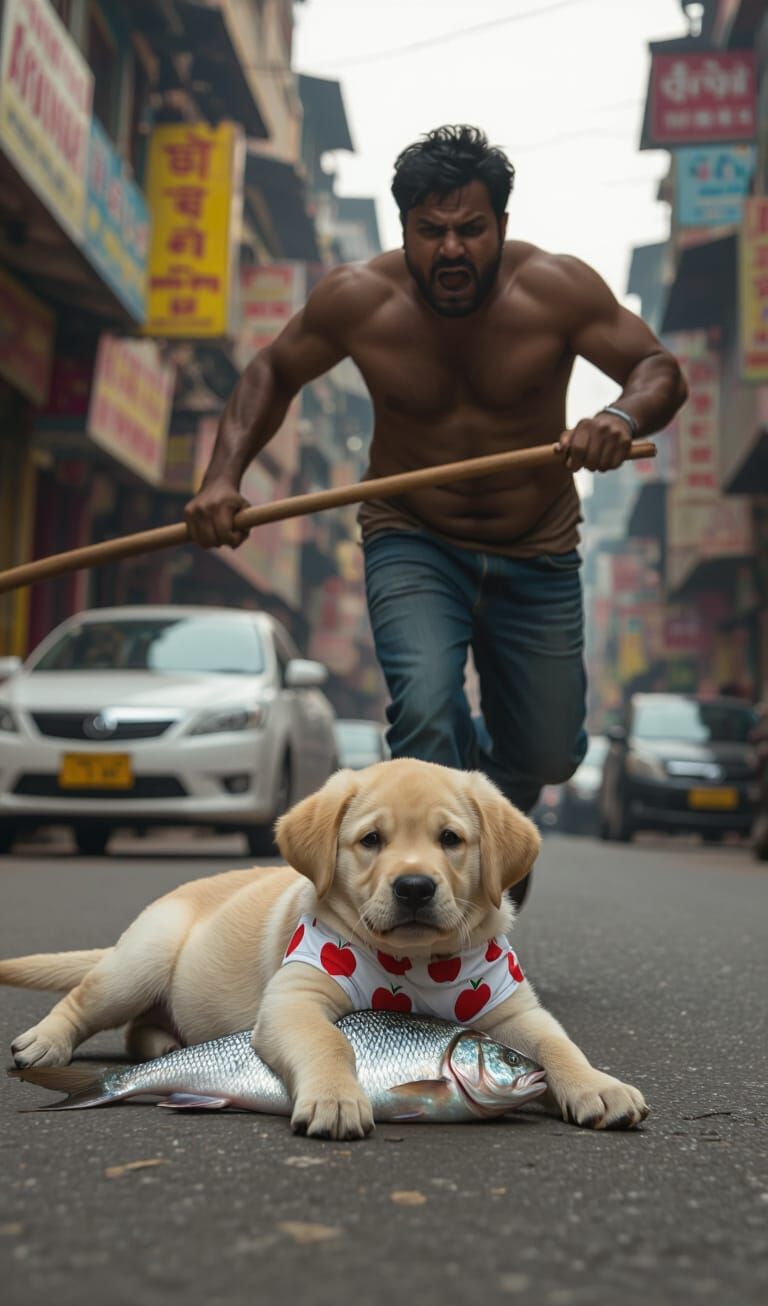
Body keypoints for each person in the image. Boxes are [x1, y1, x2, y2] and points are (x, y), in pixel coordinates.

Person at [184, 125, 687, 906]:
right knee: (424, 711)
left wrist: (620, 415)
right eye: (431, 232)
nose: (451, 251)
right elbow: (273, 369)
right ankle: (433, 932)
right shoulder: (359, 300)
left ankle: (496, 814)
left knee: (550, 753)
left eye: (471, 230)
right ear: (405, 230)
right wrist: (222, 478)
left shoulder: (556, 290)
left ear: (502, 228)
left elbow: (658, 368)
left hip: (539, 548)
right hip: (412, 538)